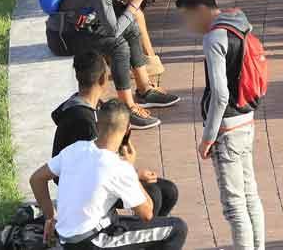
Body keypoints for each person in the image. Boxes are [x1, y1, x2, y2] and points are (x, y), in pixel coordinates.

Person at [175, 0, 265, 250]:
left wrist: (207, 137)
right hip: (246, 120)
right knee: (250, 197)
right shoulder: (239, 24)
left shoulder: (214, 39)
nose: (188, 25)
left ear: (200, 9)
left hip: (226, 130)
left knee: (234, 206)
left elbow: (220, 94)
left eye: (187, 17)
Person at [29, 99, 188, 250]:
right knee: (177, 229)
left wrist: (50, 217)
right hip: (93, 241)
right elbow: (147, 213)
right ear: (128, 130)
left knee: (165, 195)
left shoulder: (75, 149)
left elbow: (36, 179)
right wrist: (130, 170)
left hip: (69, 236)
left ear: (97, 125)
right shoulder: (119, 167)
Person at [44, 0, 180, 129]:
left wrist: (131, 5)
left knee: (132, 26)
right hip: (64, 38)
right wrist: (133, 5)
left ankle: (145, 90)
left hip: (82, 28)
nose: (125, 3)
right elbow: (113, 32)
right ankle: (127, 108)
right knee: (118, 46)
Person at [51, 52, 179, 215]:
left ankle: (152, 233)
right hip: (84, 185)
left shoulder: (91, 106)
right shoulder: (84, 119)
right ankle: (139, 234)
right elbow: (97, 165)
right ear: (104, 79)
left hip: (96, 174)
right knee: (153, 195)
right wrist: (133, 173)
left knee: (168, 190)